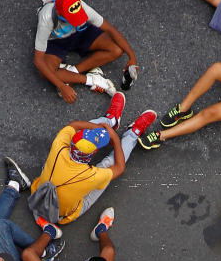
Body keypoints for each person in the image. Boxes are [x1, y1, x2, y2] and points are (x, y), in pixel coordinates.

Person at [29, 94, 157, 226]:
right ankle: (132, 134)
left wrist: (98, 129)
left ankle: (111, 120)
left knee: (83, 131)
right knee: (109, 164)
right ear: (94, 154)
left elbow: (74, 125)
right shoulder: (90, 176)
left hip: (38, 196)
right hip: (63, 215)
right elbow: (120, 167)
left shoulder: (59, 145)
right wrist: (115, 139)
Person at [33, 0, 139, 102]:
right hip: (56, 41)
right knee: (44, 72)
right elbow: (38, 61)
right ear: (59, 13)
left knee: (116, 50)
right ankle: (93, 80)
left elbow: (110, 29)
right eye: (73, 18)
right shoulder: (46, 17)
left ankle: (72, 72)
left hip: (80, 32)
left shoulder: (79, 6)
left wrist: (132, 56)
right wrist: (62, 86)